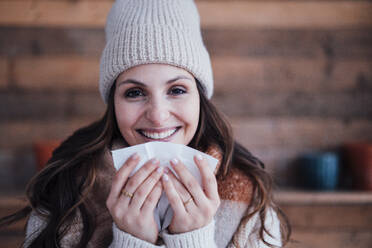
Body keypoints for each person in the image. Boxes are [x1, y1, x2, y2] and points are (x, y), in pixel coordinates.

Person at [0, 0, 290, 247]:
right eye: (135, 93)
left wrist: (193, 239)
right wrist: (130, 240)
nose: (158, 115)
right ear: (113, 102)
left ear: (199, 98)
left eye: (177, 90)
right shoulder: (64, 191)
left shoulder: (250, 201)